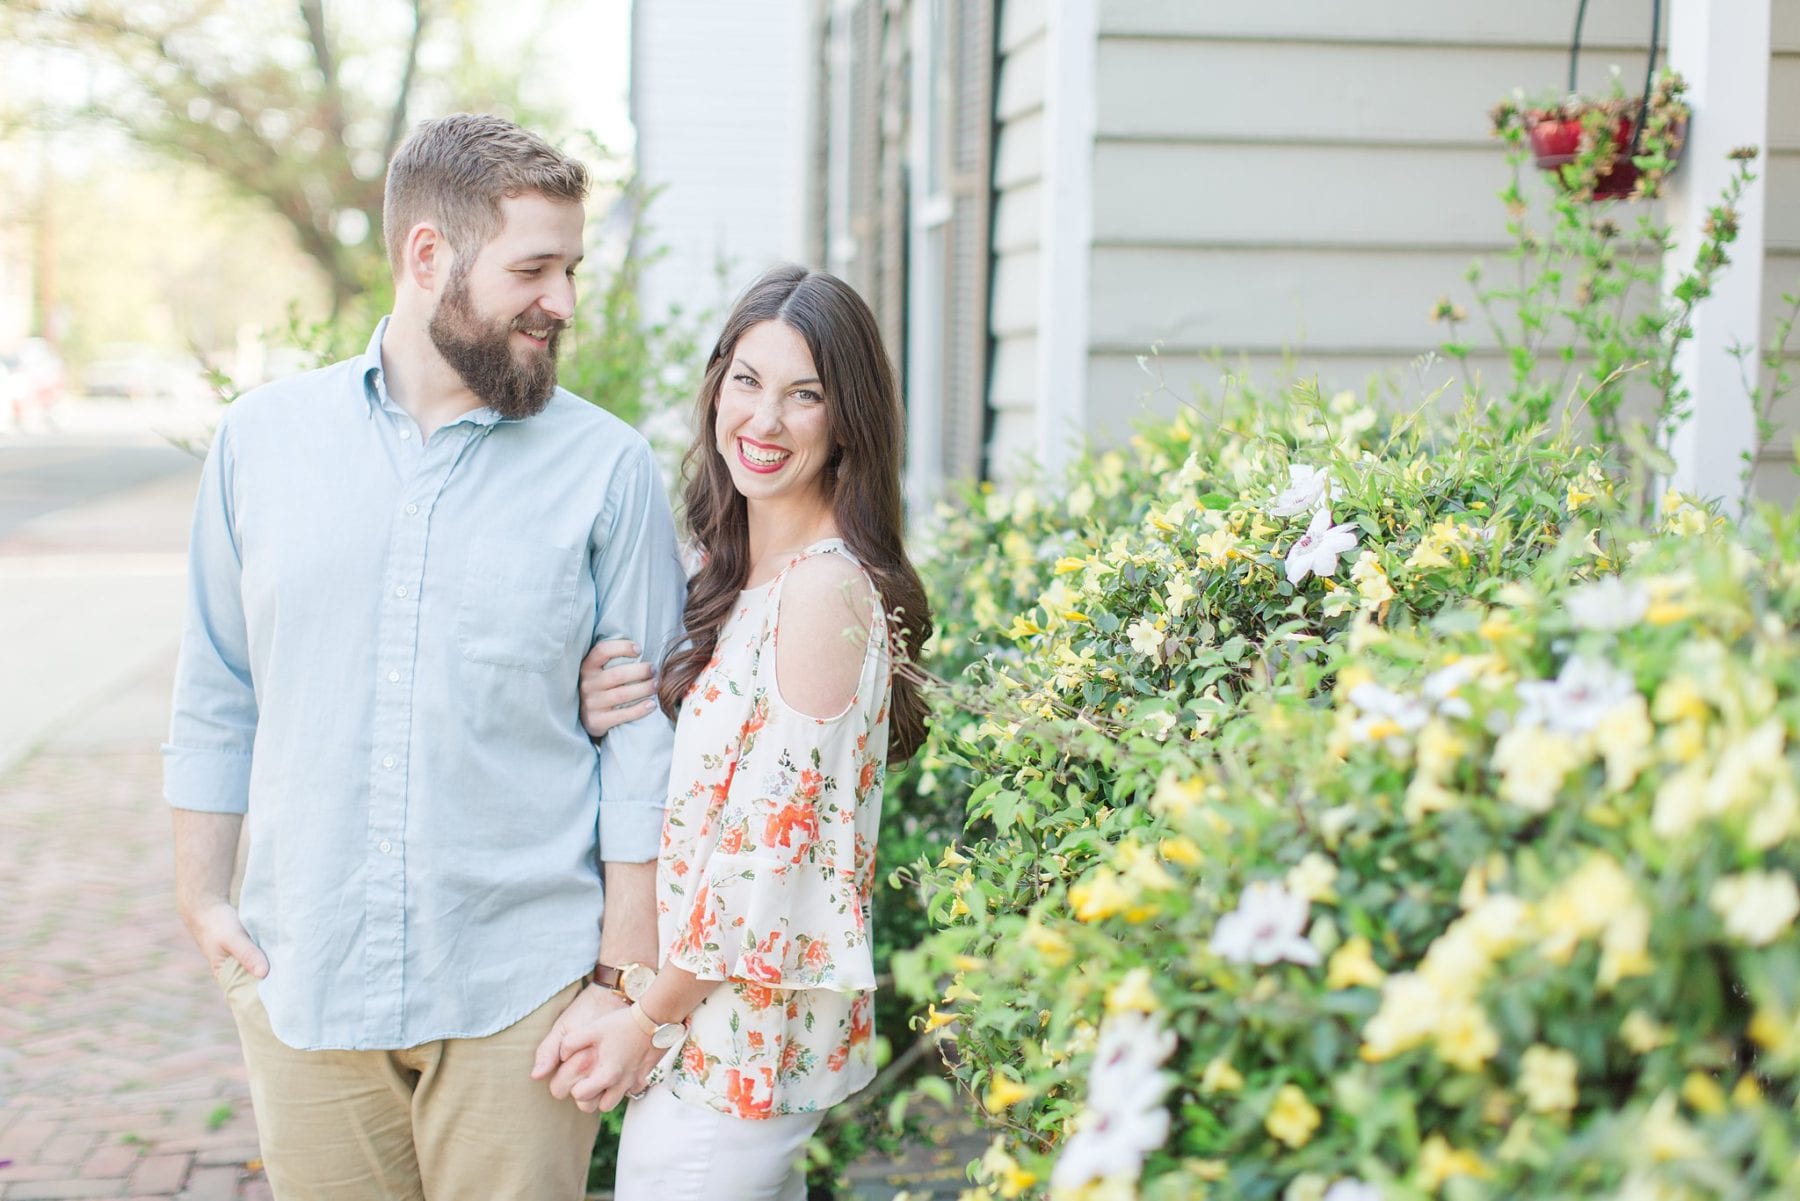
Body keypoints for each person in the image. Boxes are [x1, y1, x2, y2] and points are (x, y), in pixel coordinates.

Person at [163, 113, 686, 1200]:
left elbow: (645, 742)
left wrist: (620, 981)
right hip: (304, 974)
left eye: (572, 269)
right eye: (534, 269)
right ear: (428, 256)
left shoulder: (607, 468)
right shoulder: (261, 443)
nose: (565, 304)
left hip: (523, 991)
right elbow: (218, 685)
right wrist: (206, 901)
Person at [534, 265, 931, 1200]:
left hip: (735, 1041)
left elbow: (767, 856)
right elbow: (712, 776)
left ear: (848, 422)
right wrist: (607, 699)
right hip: (708, 1028)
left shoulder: (823, 587)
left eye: (806, 395)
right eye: (747, 381)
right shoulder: (734, 569)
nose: (764, 420)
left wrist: (646, 1017)